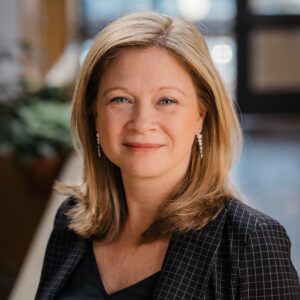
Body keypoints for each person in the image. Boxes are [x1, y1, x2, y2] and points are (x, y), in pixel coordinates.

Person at [35, 12, 300, 299]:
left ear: (200, 115)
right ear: (94, 113)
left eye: (167, 100)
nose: (142, 122)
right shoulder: (72, 219)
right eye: (120, 99)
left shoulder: (251, 242)